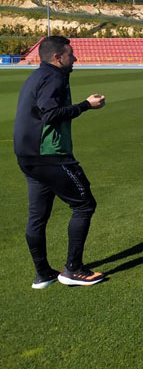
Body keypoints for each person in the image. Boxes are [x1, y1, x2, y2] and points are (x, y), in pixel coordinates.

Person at [14, 35, 107, 287]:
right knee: (84, 205)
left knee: (38, 216)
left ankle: (43, 273)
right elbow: (50, 113)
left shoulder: (37, 75)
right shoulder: (54, 77)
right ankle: (73, 270)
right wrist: (86, 105)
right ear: (58, 58)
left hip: (28, 156)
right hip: (49, 155)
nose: (74, 58)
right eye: (70, 54)